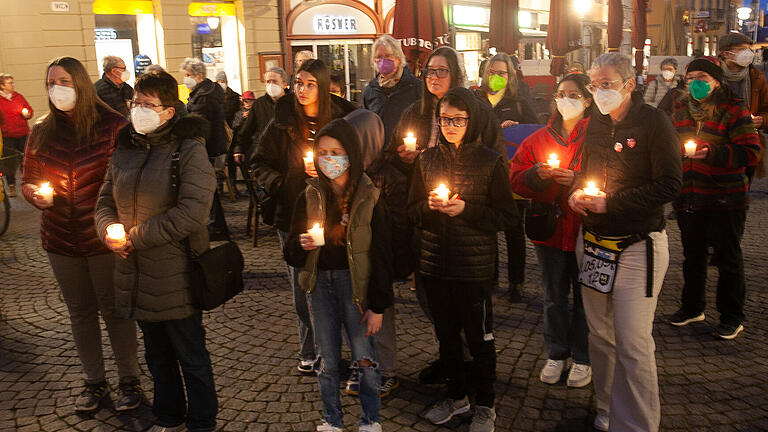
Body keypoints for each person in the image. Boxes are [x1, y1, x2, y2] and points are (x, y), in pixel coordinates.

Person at [95, 69, 219, 432]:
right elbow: (104, 199)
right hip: (134, 272)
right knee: (156, 355)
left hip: (175, 273)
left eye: (148, 104)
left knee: (190, 355)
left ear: (168, 112)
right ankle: (169, 417)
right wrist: (108, 232)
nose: (138, 110)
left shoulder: (188, 149)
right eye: (135, 103)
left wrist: (137, 237)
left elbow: (193, 211)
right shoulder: (124, 147)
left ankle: (201, 421)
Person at [20, 56, 142, 414]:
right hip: (60, 238)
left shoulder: (113, 126)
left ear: (81, 85)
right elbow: (28, 179)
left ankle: (129, 380)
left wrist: (120, 224)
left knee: (115, 311)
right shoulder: (42, 131)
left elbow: (128, 179)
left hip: (103, 237)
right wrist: (35, 196)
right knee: (80, 312)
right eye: (50, 83)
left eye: (63, 81)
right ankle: (94, 381)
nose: (56, 89)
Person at [569, 53, 681, 432]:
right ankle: (607, 407)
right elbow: (583, 170)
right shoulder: (595, 124)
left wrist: (612, 202)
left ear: (628, 85)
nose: (598, 92)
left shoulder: (654, 123)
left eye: (606, 84)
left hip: (638, 245)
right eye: (593, 84)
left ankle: (637, 425)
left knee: (633, 342)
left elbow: (669, 184)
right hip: (595, 244)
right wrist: (574, 193)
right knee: (600, 336)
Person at [386, 45, 505, 385]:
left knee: (471, 306)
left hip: (469, 227)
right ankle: (450, 357)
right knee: (432, 299)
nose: (434, 77)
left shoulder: (476, 112)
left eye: (441, 71)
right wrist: (405, 158)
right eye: (429, 72)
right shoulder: (415, 111)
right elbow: (394, 159)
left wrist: (468, 199)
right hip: (427, 219)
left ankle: (474, 364)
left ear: (455, 75)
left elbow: (494, 162)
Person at [410, 87, 518, 432]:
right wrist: (427, 209)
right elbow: (409, 212)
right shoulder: (426, 160)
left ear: (471, 121)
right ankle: (456, 398)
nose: (450, 125)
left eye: (457, 119)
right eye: (444, 119)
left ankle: (485, 405)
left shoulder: (489, 160)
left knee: (480, 340)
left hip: (474, 270)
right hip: (434, 265)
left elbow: (506, 216)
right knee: (446, 338)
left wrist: (466, 210)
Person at [283, 117, 392, 432]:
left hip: (355, 286)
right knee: (327, 360)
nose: (329, 160)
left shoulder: (369, 195)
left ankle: (370, 419)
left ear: (352, 155)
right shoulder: (310, 194)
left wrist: (378, 306)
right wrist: (301, 244)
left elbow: (383, 253)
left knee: (365, 358)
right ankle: (331, 419)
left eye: (336, 152)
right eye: (323, 153)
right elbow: (291, 251)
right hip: (320, 286)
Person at [252, 59, 356, 374]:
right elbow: (258, 163)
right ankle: (309, 348)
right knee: (302, 287)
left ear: (323, 87)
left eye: (310, 83)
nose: (302, 89)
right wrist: (284, 182)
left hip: (335, 213)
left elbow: (359, 158)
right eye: (298, 82)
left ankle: (339, 350)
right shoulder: (281, 120)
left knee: (338, 284)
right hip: (293, 212)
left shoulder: (343, 117)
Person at [666, 57, 760, 340]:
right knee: (692, 256)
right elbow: (670, 145)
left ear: (717, 82)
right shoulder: (680, 111)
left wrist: (714, 153)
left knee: (727, 258)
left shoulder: (733, 110)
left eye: (702, 78)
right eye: (691, 77)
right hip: (689, 196)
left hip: (725, 198)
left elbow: (751, 153)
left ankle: (732, 316)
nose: (695, 83)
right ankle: (692, 307)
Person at [510, 73, 593, 387]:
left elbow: (613, 175)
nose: (565, 99)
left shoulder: (598, 135)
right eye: (561, 94)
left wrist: (578, 180)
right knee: (554, 296)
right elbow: (515, 177)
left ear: (587, 100)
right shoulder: (538, 139)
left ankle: (584, 357)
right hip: (550, 230)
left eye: (573, 94)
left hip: (588, 230)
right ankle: (557, 353)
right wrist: (537, 175)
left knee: (587, 299)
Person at [344, 109, 410, 399]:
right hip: (351, 258)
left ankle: (388, 371)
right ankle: (364, 365)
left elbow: (398, 225)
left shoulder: (390, 177)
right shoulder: (347, 173)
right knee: (353, 314)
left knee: (380, 316)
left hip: (379, 259)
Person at [476, 52, 538, 302]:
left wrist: (517, 127)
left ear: (510, 75)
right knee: (488, 230)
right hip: (483, 173)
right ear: (485, 73)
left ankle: (516, 282)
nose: (497, 76)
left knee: (514, 231)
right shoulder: (476, 98)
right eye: (493, 72)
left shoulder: (520, 100)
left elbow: (534, 132)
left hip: (512, 174)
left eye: (502, 73)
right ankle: (491, 279)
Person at [181, 57, 229, 239]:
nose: (186, 79)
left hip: (208, 146)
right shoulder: (205, 91)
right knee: (211, 187)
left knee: (209, 188)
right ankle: (216, 223)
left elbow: (198, 121)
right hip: (211, 145)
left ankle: (216, 225)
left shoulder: (205, 95)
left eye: (188, 75)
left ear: (198, 76)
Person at [718, 32, 768, 179]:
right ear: (725, 53)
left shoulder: (756, 77)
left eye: (748, 49)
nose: (747, 53)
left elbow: (766, 107)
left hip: (747, 141)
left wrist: (762, 120)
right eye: (740, 49)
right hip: (718, 139)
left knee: (742, 187)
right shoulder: (713, 76)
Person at [362, 34, 423, 149]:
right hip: (378, 155)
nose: (383, 60)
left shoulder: (416, 87)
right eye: (379, 57)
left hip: (406, 156)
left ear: (398, 58)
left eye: (388, 56)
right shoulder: (370, 90)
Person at [234, 67, 290, 165]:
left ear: (284, 84)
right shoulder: (259, 104)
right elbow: (247, 129)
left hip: (289, 155)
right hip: (265, 155)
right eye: (268, 81)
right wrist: (239, 148)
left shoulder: (293, 103)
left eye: (275, 81)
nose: (271, 85)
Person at [0, 73, 33, 197]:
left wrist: (27, 114)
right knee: (10, 163)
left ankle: (28, 184)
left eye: (12, 82)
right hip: (8, 137)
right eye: (10, 83)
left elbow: (29, 110)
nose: (13, 85)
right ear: (2, 86)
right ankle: (11, 185)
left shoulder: (18, 97)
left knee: (26, 160)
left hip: (23, 133)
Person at [228, 90, 256, 196]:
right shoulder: (239, 113)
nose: (248, 104)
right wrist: (242, 118)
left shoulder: (257, 111)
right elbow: (235, 126)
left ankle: (254, 188)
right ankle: (243, 188)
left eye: (250, 101)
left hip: (253, 143)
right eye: (246, 101)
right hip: (242, 143)